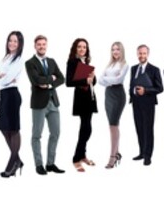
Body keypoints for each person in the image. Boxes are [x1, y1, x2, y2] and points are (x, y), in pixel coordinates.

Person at [25, 35, 65, 174]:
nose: (42, 46)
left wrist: (47, 84)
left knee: (56, 132)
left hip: (53, 101)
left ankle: (50, 163)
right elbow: (35, 80)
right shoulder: (30, 63)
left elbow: (61, 78)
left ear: (46, 45)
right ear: (35, 46)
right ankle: (38, 164)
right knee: (37, 134)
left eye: (44, 44)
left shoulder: (52, 61)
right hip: (39, 103)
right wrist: (51, 78)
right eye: (39, 44)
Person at [0, 31, 26, 177]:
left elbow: (6, 79)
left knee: (13, 129)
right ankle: (17, 160)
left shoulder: (18, 60)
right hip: (3, 94)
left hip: (12, 94)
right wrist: (0, 76)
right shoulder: (6, 57)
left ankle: (11, 163)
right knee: (3, 128)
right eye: (10, 40)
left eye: (15, 41)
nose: (12, 43)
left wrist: (2, 76)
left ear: (20, 44)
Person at [65, 38, 97, 172]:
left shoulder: (86, 62)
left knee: (87, 128)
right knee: (86, 128)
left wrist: (92, 78)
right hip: (81, 99)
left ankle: (82, 155)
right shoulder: (72, 62)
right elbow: (69, 82)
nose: (82, 49)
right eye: (79, 47)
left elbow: (92, 82)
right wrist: (86, 80)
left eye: (84, 47)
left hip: (90, 97)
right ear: (75, 48)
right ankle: (76, 158)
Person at [129, 45, 163, 165]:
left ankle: (148, 156)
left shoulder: (154, 69)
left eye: (144, 53)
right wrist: (133, 92)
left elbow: (160, 88)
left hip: (148, 103)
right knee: (139, 128)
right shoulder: (133, 69)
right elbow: (131, 85)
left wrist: (146, 90)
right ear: (137, 54)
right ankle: (142, 152)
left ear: (147, 54)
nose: (142, 56)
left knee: (148, 129)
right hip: (136, 103)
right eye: (140, 53)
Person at [99, 42, 129, 168]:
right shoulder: (109, 65)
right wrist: (109, 80)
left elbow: (118, 80)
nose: (115, 52)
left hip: (118, 95)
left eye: (118, 49)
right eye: (113, 49)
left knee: (113, 124)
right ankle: (116, 153)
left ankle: (112, 157)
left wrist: (108, 80)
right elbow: (100, 80)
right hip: (108, 95)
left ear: (122, 51)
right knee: (113, 125)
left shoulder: (125, 65)